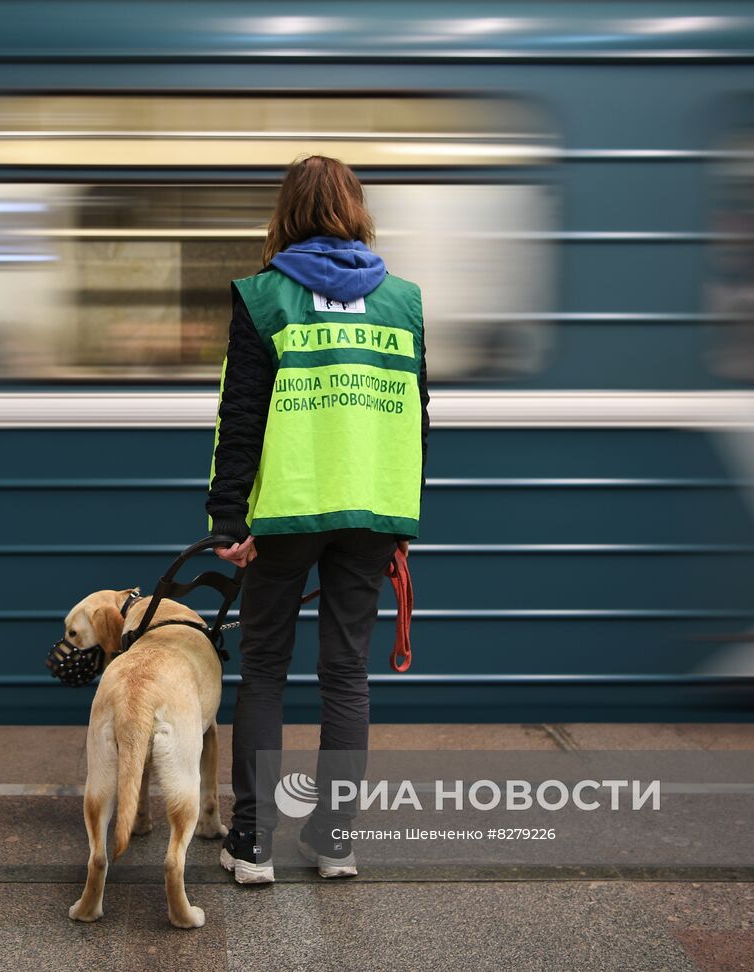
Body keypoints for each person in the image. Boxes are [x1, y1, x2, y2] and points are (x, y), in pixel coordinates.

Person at [205, 155, 429, 883]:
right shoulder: (402, 302)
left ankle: (255, 844)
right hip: (370, 512)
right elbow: (418, 420)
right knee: (346, 676)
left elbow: (239, 417)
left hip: (287, 513)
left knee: (264, 669)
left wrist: (227, 517)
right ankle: (334, 842)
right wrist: (400, 518)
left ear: (287, 213)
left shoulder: (263, 297)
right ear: (356, 211)